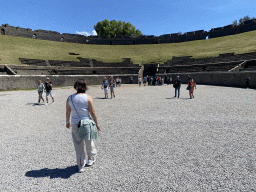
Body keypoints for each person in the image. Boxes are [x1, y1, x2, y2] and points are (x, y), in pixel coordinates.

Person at [66, 79, 101, 173]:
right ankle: (91, 158)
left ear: (75, 87)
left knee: (78, 144)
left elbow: (68, 111)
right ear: (85, 87)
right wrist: (97, 123)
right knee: (89, 141)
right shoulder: (88, 98)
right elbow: (92, 112)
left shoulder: (70, 98)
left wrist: (67, 122)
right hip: (86, 123)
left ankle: (80, 165)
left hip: (74, 123)